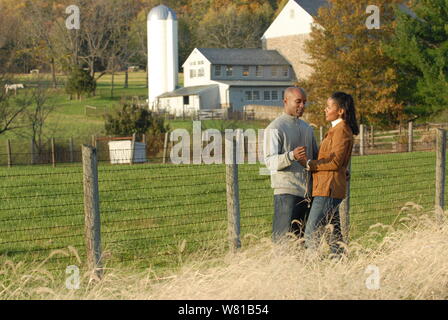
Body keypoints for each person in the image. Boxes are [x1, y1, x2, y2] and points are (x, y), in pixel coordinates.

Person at [296, 92, 359, 256]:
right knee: (333, 233)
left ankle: (312, 268)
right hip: (327, 187)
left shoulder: (341, 130)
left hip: (328, 189)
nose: (325, 109)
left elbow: (335, 162)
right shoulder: (337, 129)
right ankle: (341, 264)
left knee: (311, 231)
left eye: (329, 107)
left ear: (340, 111)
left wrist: (310, 164)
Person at [264, 87, 318, 242]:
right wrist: (291, 155)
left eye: (304, 102)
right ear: (285, 101)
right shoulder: (274, 128)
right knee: (284, 243)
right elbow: (269, 162)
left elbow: (315, 157)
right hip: (286, 194)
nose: (302, 106)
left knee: (301, 243)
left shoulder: (307, 128)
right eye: (298, 102)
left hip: (308, 195)